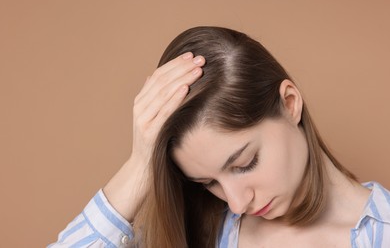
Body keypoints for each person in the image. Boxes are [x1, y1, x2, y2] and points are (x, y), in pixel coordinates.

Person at [49, 26, 390, 248]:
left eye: (244, 164)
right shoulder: (196, 230)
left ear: (290, 104)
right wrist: (141, 165)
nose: (237, 204)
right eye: (207, 182)